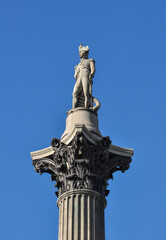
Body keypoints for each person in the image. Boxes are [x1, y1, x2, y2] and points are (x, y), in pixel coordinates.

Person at [72, 44, 95, 108]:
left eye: (80, 52)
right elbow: (75, 76)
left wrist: (91, 74)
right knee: (75, 93)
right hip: (79, 77)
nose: (79, 54)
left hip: (85, 76)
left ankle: (86, 107)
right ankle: (74, 108)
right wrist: (76, 71)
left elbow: (93, 69)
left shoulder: (90, 61)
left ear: (84, 53)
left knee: (86, 93)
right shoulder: (79, 64)